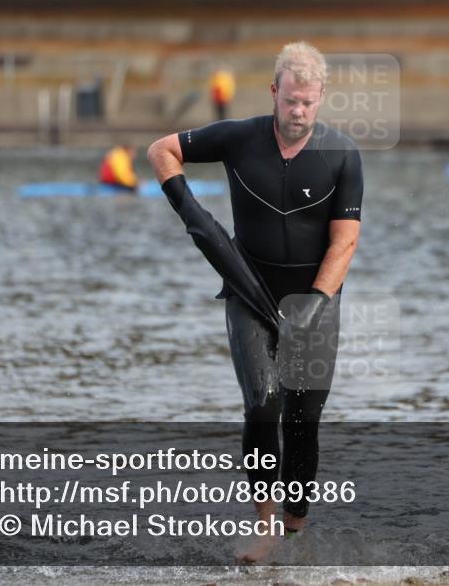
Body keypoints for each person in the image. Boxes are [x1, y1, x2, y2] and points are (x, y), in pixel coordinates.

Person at [147, 41, 363, 562]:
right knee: (263, 404)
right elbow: (160, 150)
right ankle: (265, 527)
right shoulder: (239, 137)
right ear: (274, 92)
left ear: (321, 98)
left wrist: (315, 304)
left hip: (314, 297)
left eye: (307, 102)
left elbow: (344, 243)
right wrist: (190, 210)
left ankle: (295, 529)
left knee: (302, 419)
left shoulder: (342, 155)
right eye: (290, 100)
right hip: (248, 290)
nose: (298, 111)